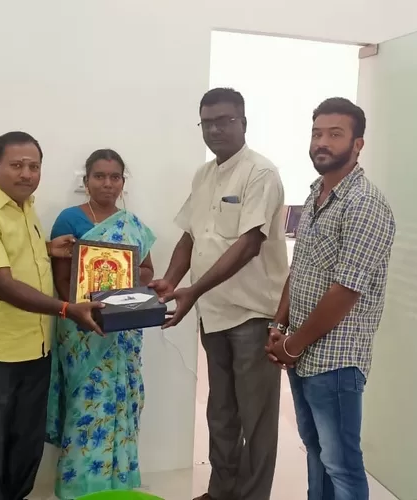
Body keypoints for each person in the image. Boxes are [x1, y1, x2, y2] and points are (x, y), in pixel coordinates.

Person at [150, 88, 288, 500]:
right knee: (221, 412)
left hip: (252, 314)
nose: (215, 130)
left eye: (225, 121)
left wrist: (192, 289)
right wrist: (171, 281)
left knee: (256, 419)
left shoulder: (261, 173)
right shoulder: (204, 175)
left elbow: (249, 244)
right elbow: (190, 236)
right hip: (213, 313)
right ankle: (220, 491)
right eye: (207, 122)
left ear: (243, 122)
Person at [0, 131, 104, 500]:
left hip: (35, 347)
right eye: (17, 165)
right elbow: (1, 283)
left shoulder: (25, 208)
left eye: (34, 166)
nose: (26, 174)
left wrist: (47, 248)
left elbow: (16, 256)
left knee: (27, 442)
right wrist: (66, 309)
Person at [266, 97, 396, 500]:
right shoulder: (316, 194)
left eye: (335, 134)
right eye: (317, 133)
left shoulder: (364, 204)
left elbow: (345, 291)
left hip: (336, 360)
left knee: (342, 464)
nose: (322, 142)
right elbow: (300, 268)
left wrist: (292, 344)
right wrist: (279, 325)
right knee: (317, 453)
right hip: (303, 352)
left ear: (358, 144)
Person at [45, 149, 156, 500]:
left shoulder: (132, 224)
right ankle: (78, 490)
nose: (107, 183)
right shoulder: (69, 219)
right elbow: (61, 279)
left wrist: (124, 282)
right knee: (85, 408)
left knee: (123, 406)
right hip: (82, 330)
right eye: (99, 176)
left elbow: (148, 271)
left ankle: (118, 488)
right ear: (86, 181)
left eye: (115, 177)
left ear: (123, 182)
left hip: (124, 329)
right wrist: (88, 305)